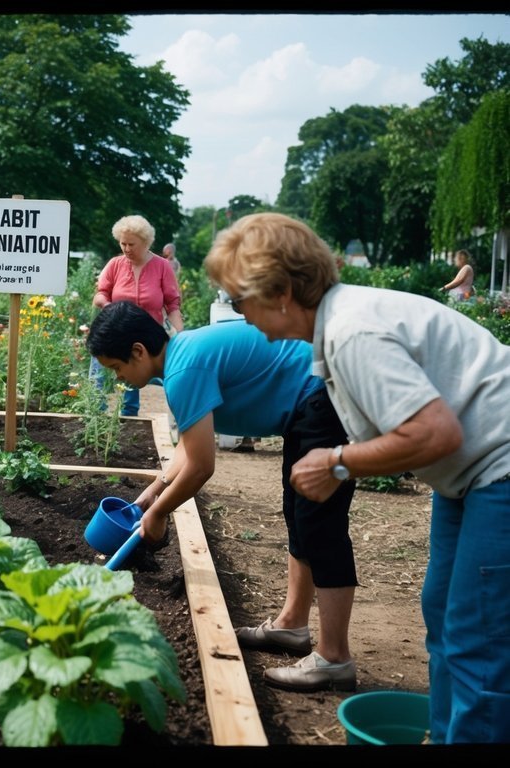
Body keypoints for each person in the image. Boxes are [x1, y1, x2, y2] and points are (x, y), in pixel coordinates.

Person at [205, 211, 510, 744]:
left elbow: (435, 434)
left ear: (278, 293)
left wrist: (338, 461)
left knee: (477, 638)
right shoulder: (336, 325)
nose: (238, 314)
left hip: (498, 465)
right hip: (470, 475)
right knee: (444, 614)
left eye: (238, 299)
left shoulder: (352, 331)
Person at [88, 300, 360, 693]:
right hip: (310, 399)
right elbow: (188, 446)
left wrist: (160, 514)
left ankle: (335, 658)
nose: (119, 379)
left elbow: (201, 466)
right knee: (300, 515)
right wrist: (152, 493)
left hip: (323, 391)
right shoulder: (178, 360)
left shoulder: (182, 370)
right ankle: (292, 626)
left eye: (117, 369)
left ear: (138, 352)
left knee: (321, 527)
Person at [91, 214, 183, 416]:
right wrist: (109, 308)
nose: (126, 249)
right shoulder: (115, 264)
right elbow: (100, 294)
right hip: (116, 330)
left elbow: (172, 305)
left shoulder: (162, 267)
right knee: (99, 376)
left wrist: (181, 336)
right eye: (123, 244)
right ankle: (95, 416)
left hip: (147, 337)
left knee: (140, 381)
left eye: (131, 244)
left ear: (146, 242)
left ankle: (130, 418)